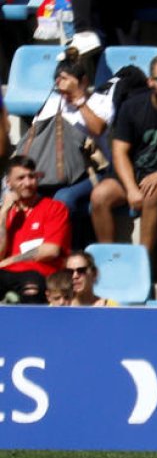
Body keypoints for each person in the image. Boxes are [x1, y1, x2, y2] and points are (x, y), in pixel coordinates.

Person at [91, 55, 157, 249]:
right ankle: (107, 258)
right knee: (99, 195)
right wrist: (131, 189)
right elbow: (119, 152)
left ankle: (144, 263)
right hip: (132, 175)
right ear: (150, 82)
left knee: (152, 193)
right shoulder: (132, 107)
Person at [31, 56, 114, 213]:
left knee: (63, 199)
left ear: (83, 81)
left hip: (91, 170)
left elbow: (98, 129)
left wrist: (79, 99)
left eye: (68, 87)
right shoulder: (53, 103)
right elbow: (36, 134)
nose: (65, 95)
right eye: (60, 90)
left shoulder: (101, 102)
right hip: (56, 170)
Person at [0, 156, 71, 304]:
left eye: (31, 177)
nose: (27, 183)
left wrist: (10, 260)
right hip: (7, 274)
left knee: (31, 286)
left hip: (40, 272)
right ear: (8, 183)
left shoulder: (54, 208)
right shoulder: (6, 213)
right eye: (21, 178)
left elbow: (50, 251)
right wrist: (4, 211)